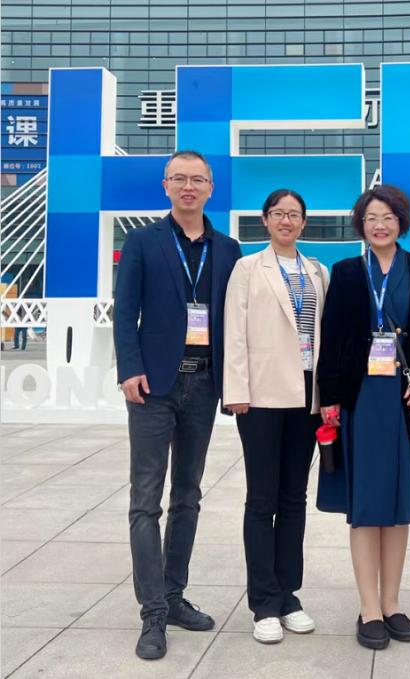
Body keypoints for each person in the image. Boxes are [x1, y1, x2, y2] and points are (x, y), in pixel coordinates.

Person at [114, 150, 241, 661]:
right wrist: (129, 369)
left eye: (198, 180)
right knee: (146, 499)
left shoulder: (227, 249)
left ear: (211, 187)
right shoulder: (143, 242)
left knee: (188, 494)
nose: (189, 187)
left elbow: (238, 318)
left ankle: (173, 594)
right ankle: (153, 613)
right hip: (153, 386)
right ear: (166, 185)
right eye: (179, 179)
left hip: (203, 384)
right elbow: (126, 312)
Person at [316, 185, 410, 651]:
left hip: (404, 400)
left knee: (398, 506)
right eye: (371, 217)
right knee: (365, 506)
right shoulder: (347, 272)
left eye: (388, 217)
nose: (380, 225)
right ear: (361, 223)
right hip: (359, 402)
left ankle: (392, 603)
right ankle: (369, 608)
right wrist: (330, 397)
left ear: (401, 222)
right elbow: (332, 339)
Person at [223, 189, 329, 644]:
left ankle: (288, 595)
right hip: (262, 396)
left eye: (294, 214)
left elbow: (325, 335)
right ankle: (263, 602)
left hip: (307, 397)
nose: (286, 221)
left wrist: (327, 395)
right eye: (278, 213)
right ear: (265, 220)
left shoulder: (317, 271)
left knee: (294, 499)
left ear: (304, 222)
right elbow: (234, 332)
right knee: (261, 498)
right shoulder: (248, 268)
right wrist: (236, 391)